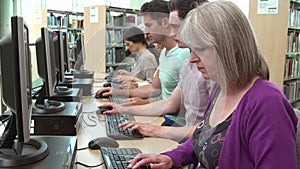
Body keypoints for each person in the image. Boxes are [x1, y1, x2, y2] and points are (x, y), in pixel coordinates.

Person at [128, 1, 298, 169]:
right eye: (191, 49)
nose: (192, 59)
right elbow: (203, 139)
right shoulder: (220, 88)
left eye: (201, 49)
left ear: (232, 46)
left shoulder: (267, 103)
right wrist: (171, 157)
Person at [99, 0, 210, 139]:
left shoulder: (186, 57)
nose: (145, 32)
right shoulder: (176, 57)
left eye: (148, 25)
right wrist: (121, 105)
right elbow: (160, 93)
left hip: (180, 128)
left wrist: (150, 113)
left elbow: (180, 108)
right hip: (183, 132)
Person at [97, 0, 190, 109]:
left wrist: (148, 105)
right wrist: (117, 92)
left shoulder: (184, 55)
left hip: (173, 121)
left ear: (165, 23)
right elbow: (153, 88)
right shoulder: (164, 53)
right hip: (163, 114)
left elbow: (188, 104)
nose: (145, 32)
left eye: (149, 25)